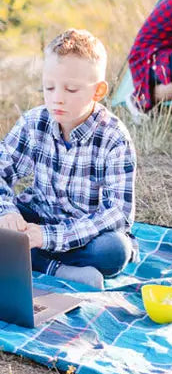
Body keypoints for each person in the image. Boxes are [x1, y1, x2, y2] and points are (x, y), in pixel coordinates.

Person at [0, 29, 138, 289]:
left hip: (87, 235)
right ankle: (56, 269)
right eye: (49, 87)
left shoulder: (114, 137)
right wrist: (7, 212)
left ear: (98, 91)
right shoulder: (34, 122)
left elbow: (117, 214)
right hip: (38, 217)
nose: (57, 98)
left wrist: (48, 237)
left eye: (71, 89)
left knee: (115, 250)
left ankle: (33, 259)